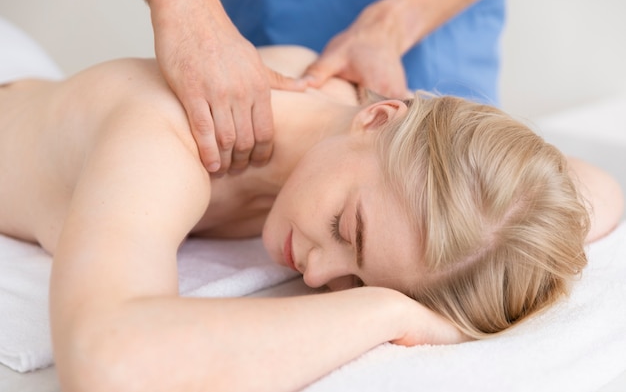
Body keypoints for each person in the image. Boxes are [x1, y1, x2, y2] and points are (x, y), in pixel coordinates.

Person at [0, 20, 623, 392]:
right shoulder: (170, 138)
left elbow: (588, 189)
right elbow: (106, 361)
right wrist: (384, 310)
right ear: (378, 117)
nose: (319, 274)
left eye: (352, 280)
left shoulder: (363, 128)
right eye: (344, 228)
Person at [125, 0, 505, 176]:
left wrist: (391, 25)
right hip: (262, 22)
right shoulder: (167, 151)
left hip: (435, 27)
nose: (316, 275)